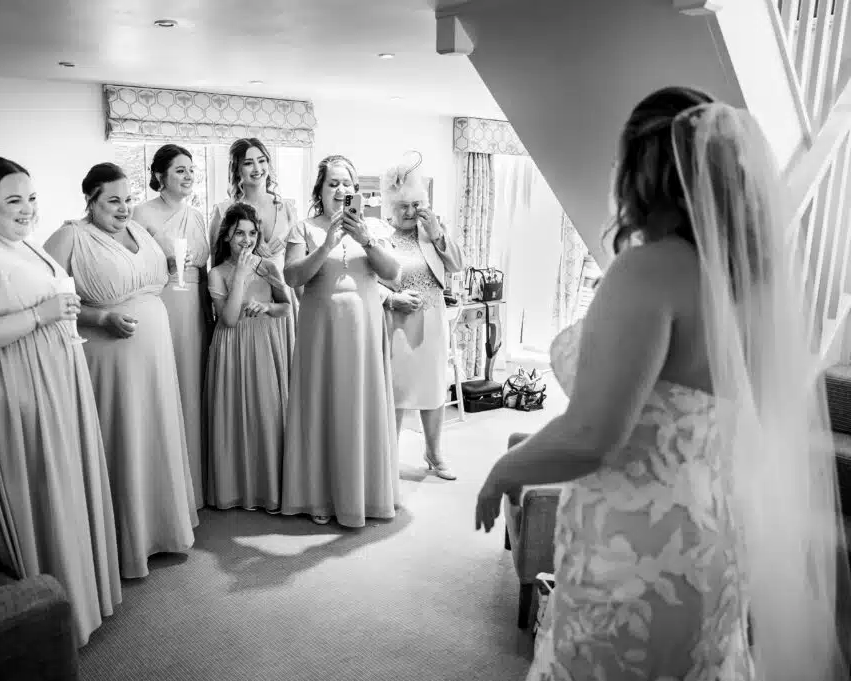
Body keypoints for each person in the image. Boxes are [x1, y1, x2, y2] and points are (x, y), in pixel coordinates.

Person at [475, 86, 851, 680]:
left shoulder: (648, 271)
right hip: (713, 535)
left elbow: (595, 433)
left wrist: (505, 469)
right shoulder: (748, 286)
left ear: (644, 173)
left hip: (636, 548)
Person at [0, 155, 120, 647]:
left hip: (48, 379)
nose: (27, 208)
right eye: (13, 199)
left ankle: (77, 592)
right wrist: (42, 315)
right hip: (10, 386)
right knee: (39, 488)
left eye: (31, 198)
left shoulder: (26, 247)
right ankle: (48, 611)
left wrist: (58, 315)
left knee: (60, 482)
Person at [45, 162, 198, 580]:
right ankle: (124, 542)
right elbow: (44, 303)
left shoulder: (141, 232)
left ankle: (162, 529)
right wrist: (100, 318)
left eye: (127, 198)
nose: (123, 207)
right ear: (90, 201)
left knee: (155, 434)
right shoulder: (70, 237)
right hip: (110, 358)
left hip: (155, 359)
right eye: (113, 200)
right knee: (124, 436)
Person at [280, 154, 402, 527]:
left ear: (357, 191)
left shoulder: (376, 228)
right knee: (323, 405)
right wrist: (328, 242)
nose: (341, 190)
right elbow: (292, 277)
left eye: (347, 183)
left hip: (364, 328)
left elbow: (394, 274)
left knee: (361, 405)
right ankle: (320, 496)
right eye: (333, 183)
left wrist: (364, 238)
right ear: (319, 189)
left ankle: (366, 494)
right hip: (321, 330)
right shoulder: (304, 228)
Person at [133, 143, 212, 509]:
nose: (188, 175)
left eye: (191, 169)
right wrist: (162, 260)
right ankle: (167, 485)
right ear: (160, 175)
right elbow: (133, 266)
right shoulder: (141, 213)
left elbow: (209, 268)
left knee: (196, 385)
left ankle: (197, 481)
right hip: (163, 299)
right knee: (170, 384)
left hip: (196, 303)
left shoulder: (197, 215)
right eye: (180, 170)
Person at [378, 153, 463, 481]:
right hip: (397, 321)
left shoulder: (433, 232)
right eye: (403, 207)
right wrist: (393, 298)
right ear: (390, 208)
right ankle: (390, 454)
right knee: (397, 390)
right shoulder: (381, 236)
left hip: (432, 320)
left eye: (416, 205)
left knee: (433, 389)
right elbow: (370, 281)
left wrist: (439, 233)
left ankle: (434, 451)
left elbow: (457, 265)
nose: (411, 212)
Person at [205, 203, 292, 512]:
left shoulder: (268, 267)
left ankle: (267, 491)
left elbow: (285, 308)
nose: (246, 240)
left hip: (264, 344)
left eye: (252, 233)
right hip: (232, 347)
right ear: (227, 235)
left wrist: (267, 307)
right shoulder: (217, 274)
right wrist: (240, 275)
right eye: (239, 233)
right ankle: (237, 492)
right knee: (235, 416)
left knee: (266, 415)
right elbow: (228, 319)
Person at [209, 138, 302, 317]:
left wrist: (304, 302)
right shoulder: (223, 211)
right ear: (237, 169)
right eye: (248, 163)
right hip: (243, 299)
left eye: (262, 160)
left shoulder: (288, 209)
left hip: (283, 299)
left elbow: (295, 265)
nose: (258, 169)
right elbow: (216, 264)